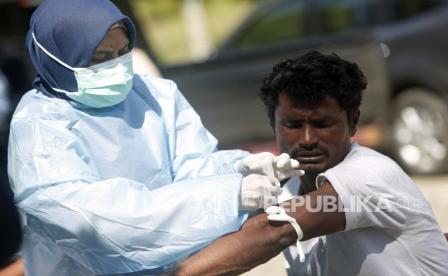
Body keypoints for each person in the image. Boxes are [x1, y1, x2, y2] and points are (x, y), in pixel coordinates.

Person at [7, 0, 302, 274]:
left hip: (181, 266)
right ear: (58, 61)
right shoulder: (39, 125)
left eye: (123, 52)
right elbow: (96, 221)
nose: (116, 66)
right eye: (100, 57)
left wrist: (238, 169)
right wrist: (228, 195)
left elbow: (189, 168)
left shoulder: (154, 94)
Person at [171, 51, 448, 275]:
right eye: (292, 125)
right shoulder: (287, 191)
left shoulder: (370, 176)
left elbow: (273, 231)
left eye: (323, 124)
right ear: (273, 125)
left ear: (353, 121)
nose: (307, 139)